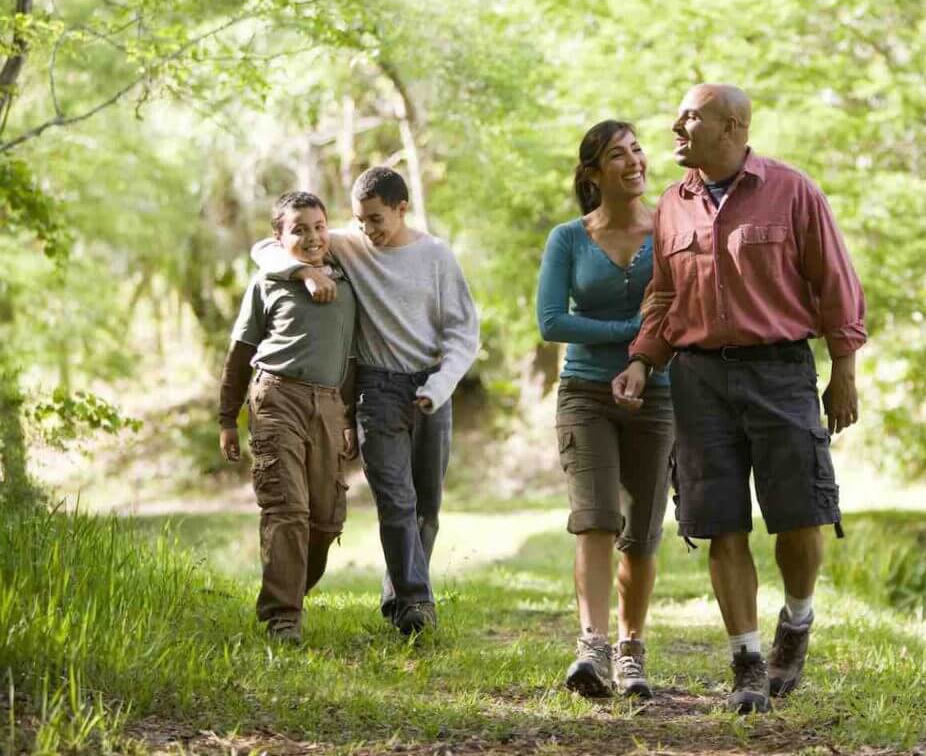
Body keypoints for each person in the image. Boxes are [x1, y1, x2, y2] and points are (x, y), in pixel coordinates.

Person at [612, 84, 867, 714]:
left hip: (780, 371)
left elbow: (834, 280)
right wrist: (644, 362)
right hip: (699, 381)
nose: (675, 126)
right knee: (721, 521)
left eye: (689, 117)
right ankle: (747, 661)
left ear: (731, 125)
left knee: (800, 513)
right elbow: (664, 298)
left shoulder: (792, 191)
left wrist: (844, 369)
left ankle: (798, 621)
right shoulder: (673, 204)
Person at [250, 167, 479, 636]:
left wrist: (439, 387)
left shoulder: (435, 255)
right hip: (378, 388)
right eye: (358, 220)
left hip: (433, 385)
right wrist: (306, 270)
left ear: (401, 208)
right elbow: (267, 247)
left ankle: (400, 597)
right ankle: (416, 603)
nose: (367, 230)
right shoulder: (351, 245)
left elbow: (463, 332)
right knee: (395, 499)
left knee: (426, 507)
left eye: (376, 219)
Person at [536, 120, 675, 698]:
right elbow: (551, 321)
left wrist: (646, 350)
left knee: (640, 534)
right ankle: (591, 646)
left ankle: (631, 650)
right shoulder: (568, 238)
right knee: (595, 518)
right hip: (586, 392)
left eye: (637, 149)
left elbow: (683, 303)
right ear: (593, 173)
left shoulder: (670, 228)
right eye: (617, 155)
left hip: (659, 393)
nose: (634, 161)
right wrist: (631, 330)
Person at [218, 190, 358, 645]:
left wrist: (349, 416)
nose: (313, 236)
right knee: (287, 508)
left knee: (326, 519)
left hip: (330, 404)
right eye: (299, 229)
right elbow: (239, 355)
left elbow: (353, 357)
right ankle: (284, 619)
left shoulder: (348, 281)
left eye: (319, 226)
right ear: (280, 238)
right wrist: (226, 418)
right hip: (278, 397)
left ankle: (287, 593)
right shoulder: (267, 284)